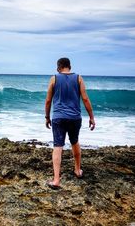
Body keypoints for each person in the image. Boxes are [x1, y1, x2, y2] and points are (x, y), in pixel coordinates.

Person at [45, 57, 95, 189]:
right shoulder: (78, 78)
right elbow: (85, 98)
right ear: (69, 66)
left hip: (59, 118)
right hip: (75, 117)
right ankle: (78, 171)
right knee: (74, 141)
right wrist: (91, 117)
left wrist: (47, 117)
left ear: (58, 67)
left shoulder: (54, 78)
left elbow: (48, 101)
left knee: (58, 146)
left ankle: (56, 180)